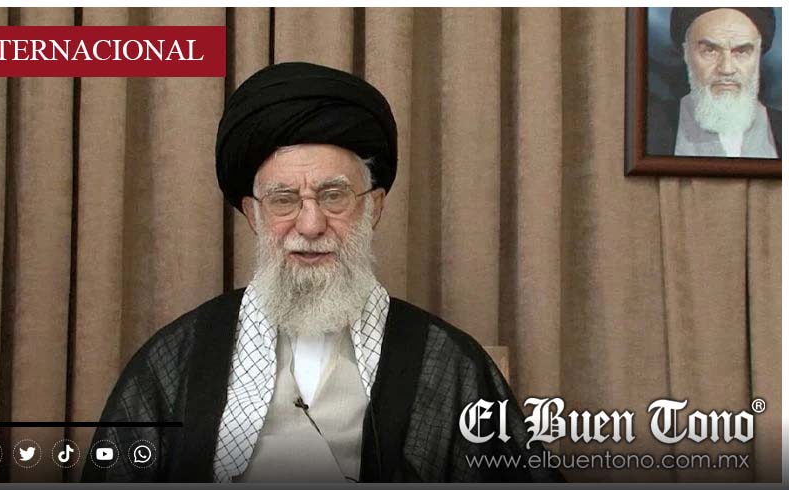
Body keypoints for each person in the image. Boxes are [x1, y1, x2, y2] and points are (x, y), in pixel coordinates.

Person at [81, 62, 563, 483]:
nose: (310, 225)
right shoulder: (178, 358)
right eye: (284, 200)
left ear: (373, 207)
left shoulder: (447, 364)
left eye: (334, 196)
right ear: (253, 215)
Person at [647, 7, 781, 158]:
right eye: (710, 51)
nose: (727, 69)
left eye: (741, 52)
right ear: (686, 53)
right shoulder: (646, 127)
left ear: (758, 55)